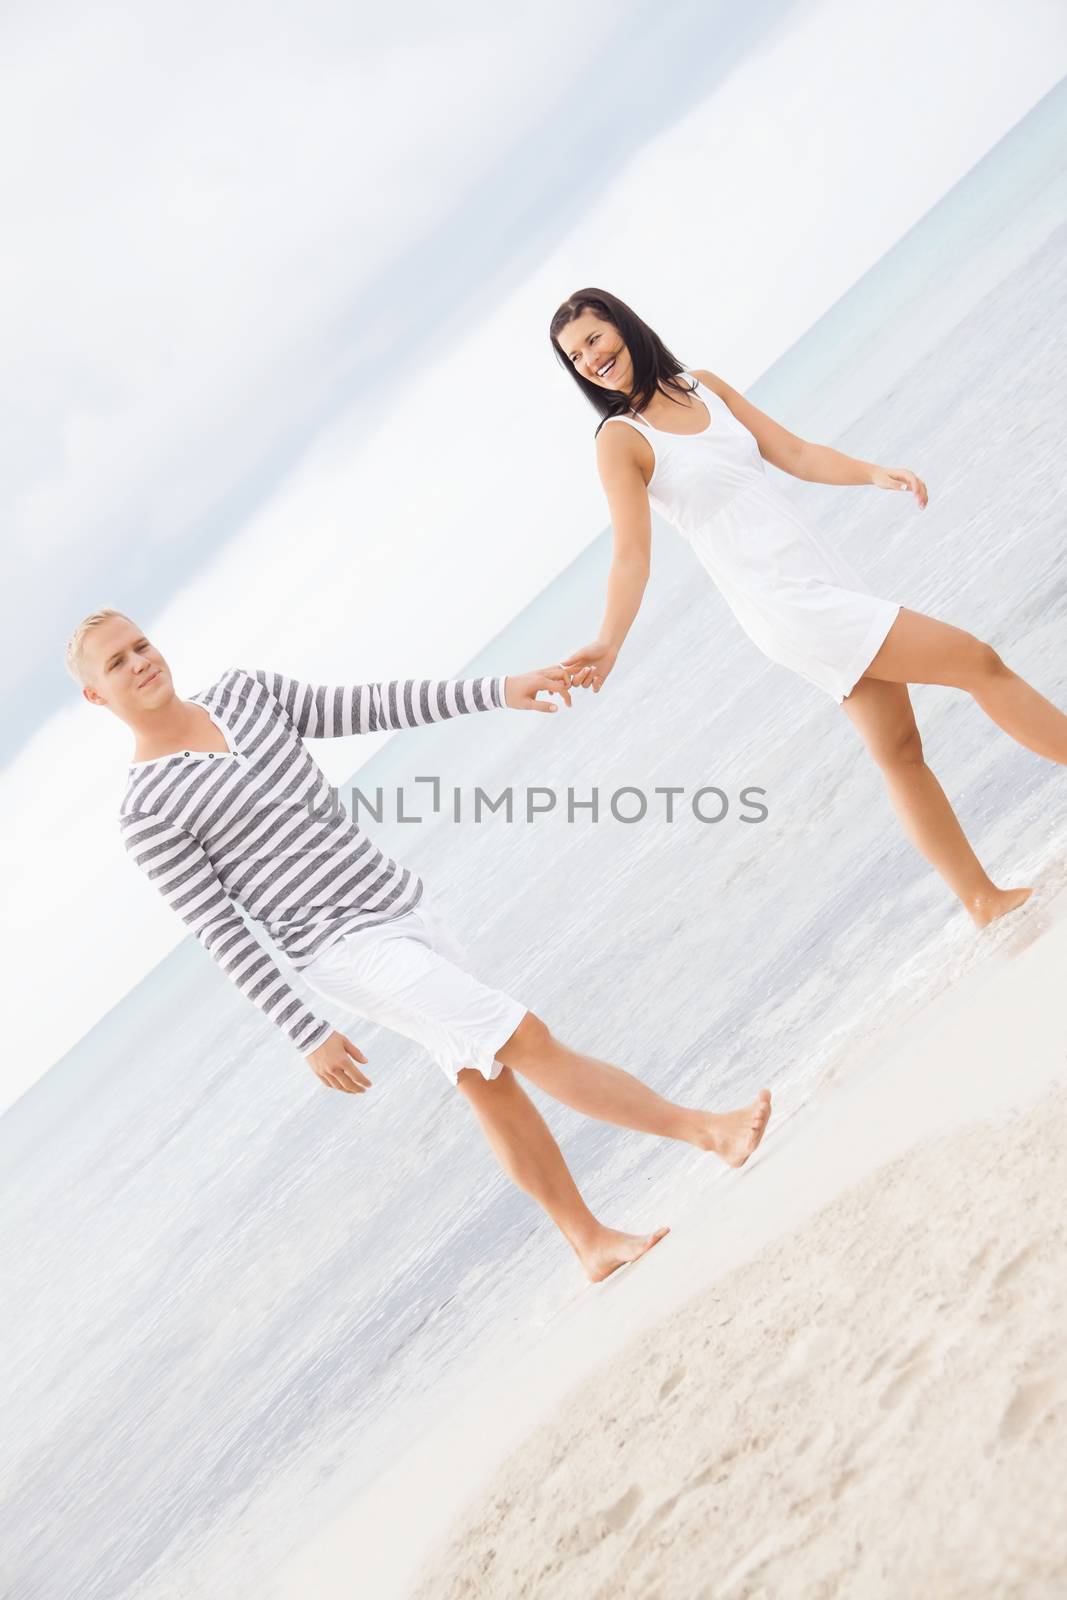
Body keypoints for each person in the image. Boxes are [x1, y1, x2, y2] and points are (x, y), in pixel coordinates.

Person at [67, 608, 772, 1283]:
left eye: (141, 646)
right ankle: (708, 1131)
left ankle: (588, 1243)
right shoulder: (148, 810)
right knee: (522, 1036)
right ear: (96, 695)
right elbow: (219, 927)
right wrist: (304, 1030)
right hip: (341, 950)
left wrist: (499, 690)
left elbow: (373, 705)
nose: (140, 663)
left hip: (403, 902)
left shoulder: (246, 694)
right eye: (118, 663)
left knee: (484, 1078)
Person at [549, 287, 1067, 929]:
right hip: (784, 603)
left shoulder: (702, 386)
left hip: (823, 577)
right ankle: (983, 894)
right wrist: (609, 641)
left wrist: (872, 472)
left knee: (899, 749)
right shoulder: (620, 440)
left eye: (594, 339)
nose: (590, 359)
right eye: (574, 356)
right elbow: (632, 555)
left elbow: (793, 453)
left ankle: (984, 902)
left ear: (622, 327)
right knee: (977, 661)